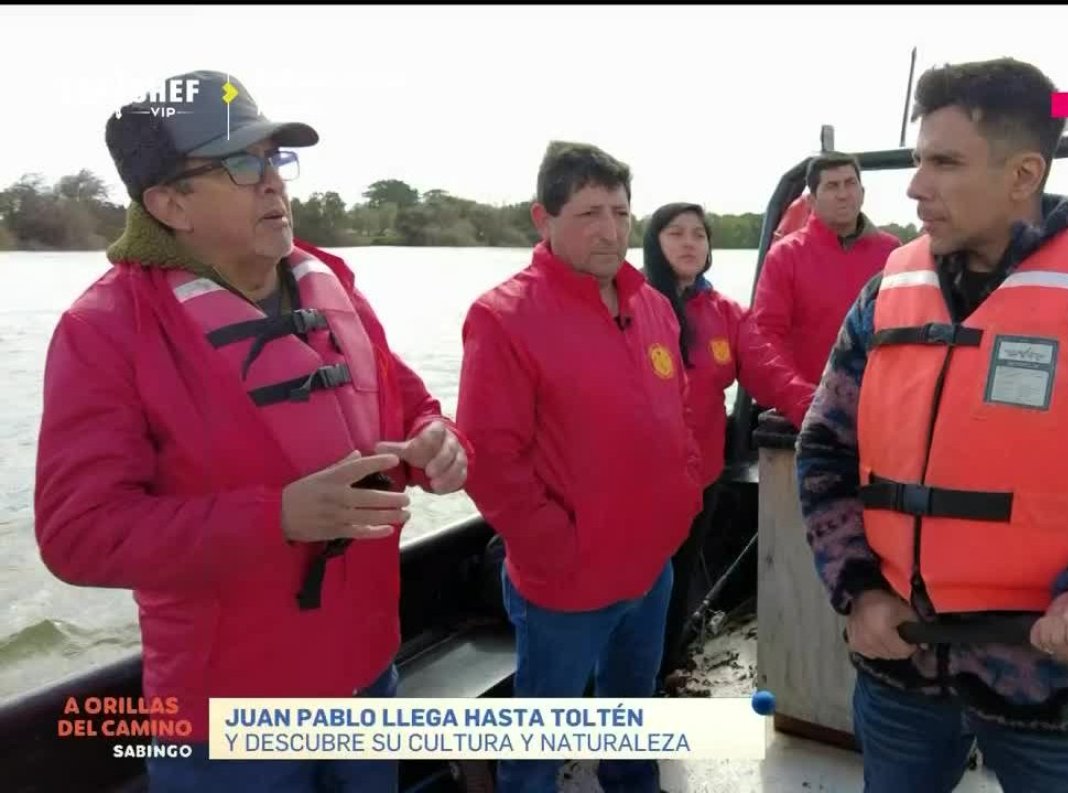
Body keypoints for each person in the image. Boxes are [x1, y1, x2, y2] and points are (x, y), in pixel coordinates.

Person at [794, 57, 1068, 792]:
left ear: (1024, 174)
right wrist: (858, 589)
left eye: (944, 162)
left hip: (1048, 682)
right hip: (899, 667)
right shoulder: (885, 294)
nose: (915, 186)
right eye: (918, 159)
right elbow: (824, 452)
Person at [33, 70, 469, 792]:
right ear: (169, 203)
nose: (272, 181)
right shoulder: (105, 329)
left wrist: (439, 444)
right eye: (240, 163)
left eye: (274, 158)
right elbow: (76, 535)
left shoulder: (333, 284)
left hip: (368, 677)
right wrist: (275, 518)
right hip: (227, 722)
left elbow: (414, 405)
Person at [456, 142, 703, 793]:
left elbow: (678, 410)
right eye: (590, 213)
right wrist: (555, 547)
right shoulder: (503, 317)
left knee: (633, 710)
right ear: (543, 218)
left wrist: (681, 501)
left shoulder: (651, 304)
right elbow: (489, 458)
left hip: (650, 565)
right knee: (538, 741)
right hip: (565, 581)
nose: (610, 231)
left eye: (620, 213)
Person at [640, 202, 814, 674]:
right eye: (676, 233)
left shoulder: (726, 314)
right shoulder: (629, 305)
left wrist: (820, 411)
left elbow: (768, 370)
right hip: (639, 482)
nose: (689, 243)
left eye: (699, 234)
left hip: (701, 478)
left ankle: (663, 670)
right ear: (654, 243)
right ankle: (626, 683)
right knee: (637, 589)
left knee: (678, 580)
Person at [751, 152, 901, 426]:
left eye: (850, 183)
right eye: (832, 186)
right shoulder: (785, 256)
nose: (843, 194)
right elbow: (766, 337)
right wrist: (804, 402)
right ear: (811, 200)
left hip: (882, 412)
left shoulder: (893, 253)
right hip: (809, 414)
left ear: (862, 192)